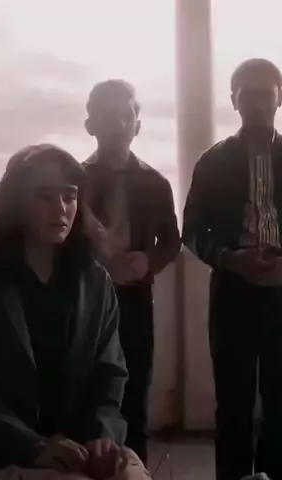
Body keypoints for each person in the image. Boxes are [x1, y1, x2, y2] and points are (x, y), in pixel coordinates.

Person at [0, 144, 150, 480]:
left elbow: (110, 373)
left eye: (70, 196)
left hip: (81, 448)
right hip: (1, 451)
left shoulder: (94, 282)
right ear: (18, 203)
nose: (61, 208)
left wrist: (102, 437)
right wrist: (34, 447)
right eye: (44, 196)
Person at [182, 58, 282, 480]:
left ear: (279, 99)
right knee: (233, 400)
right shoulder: (213, 161)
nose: (257, 103)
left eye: (265, 94)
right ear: (233, 100)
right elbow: (192, 230)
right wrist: (228, 258)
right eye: (248, 94)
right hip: (232, 292)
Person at [83, 79, 180, 465]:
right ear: (90, 124)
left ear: (138, 125)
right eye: (108, 116)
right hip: (86, 301)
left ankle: (135, 469)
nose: (119, 124)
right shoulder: (74, 180)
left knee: (135, 389)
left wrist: (148, 261)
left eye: (126, 116)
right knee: (87, 390)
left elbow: (171, 241)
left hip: (136, 300)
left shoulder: (155, 183)